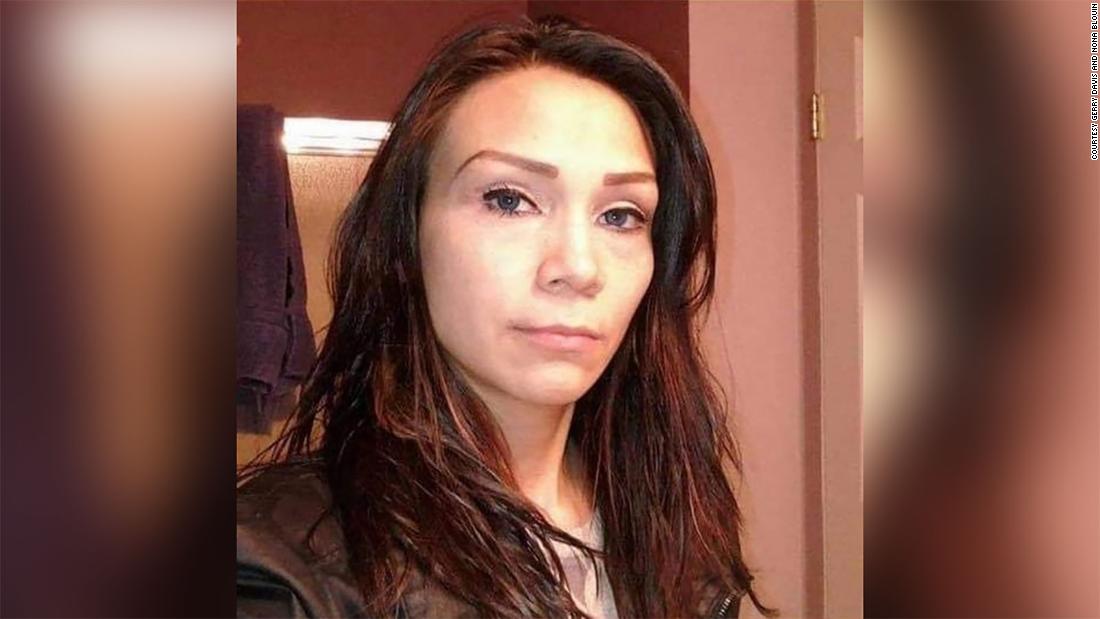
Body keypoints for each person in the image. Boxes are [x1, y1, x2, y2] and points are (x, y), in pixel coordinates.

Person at [237, 15, 775, 619]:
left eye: (620, 215)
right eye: (509, 200)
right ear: (405, 237)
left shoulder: (670, 516)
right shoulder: (276, 572)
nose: (578, 267)